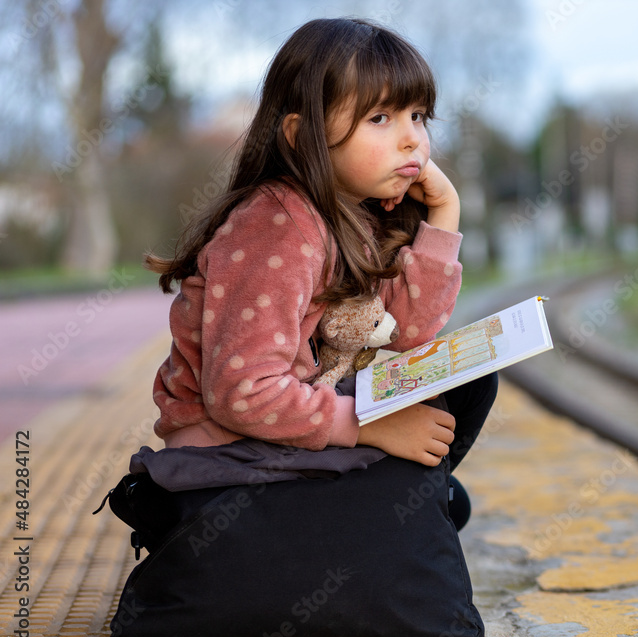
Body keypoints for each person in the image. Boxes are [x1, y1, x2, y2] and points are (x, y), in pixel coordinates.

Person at [142, 17, 496, 528]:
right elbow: (242, 394)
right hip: (226, 467)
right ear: (302, 134)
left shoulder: (354, 211)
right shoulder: (277, 226)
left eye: (418, 116)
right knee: (433, 502)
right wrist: (369, 426)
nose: (412, 140)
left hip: (282, 434)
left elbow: (405, 337)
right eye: (381, 118)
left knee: (465, 400)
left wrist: (445, 212)